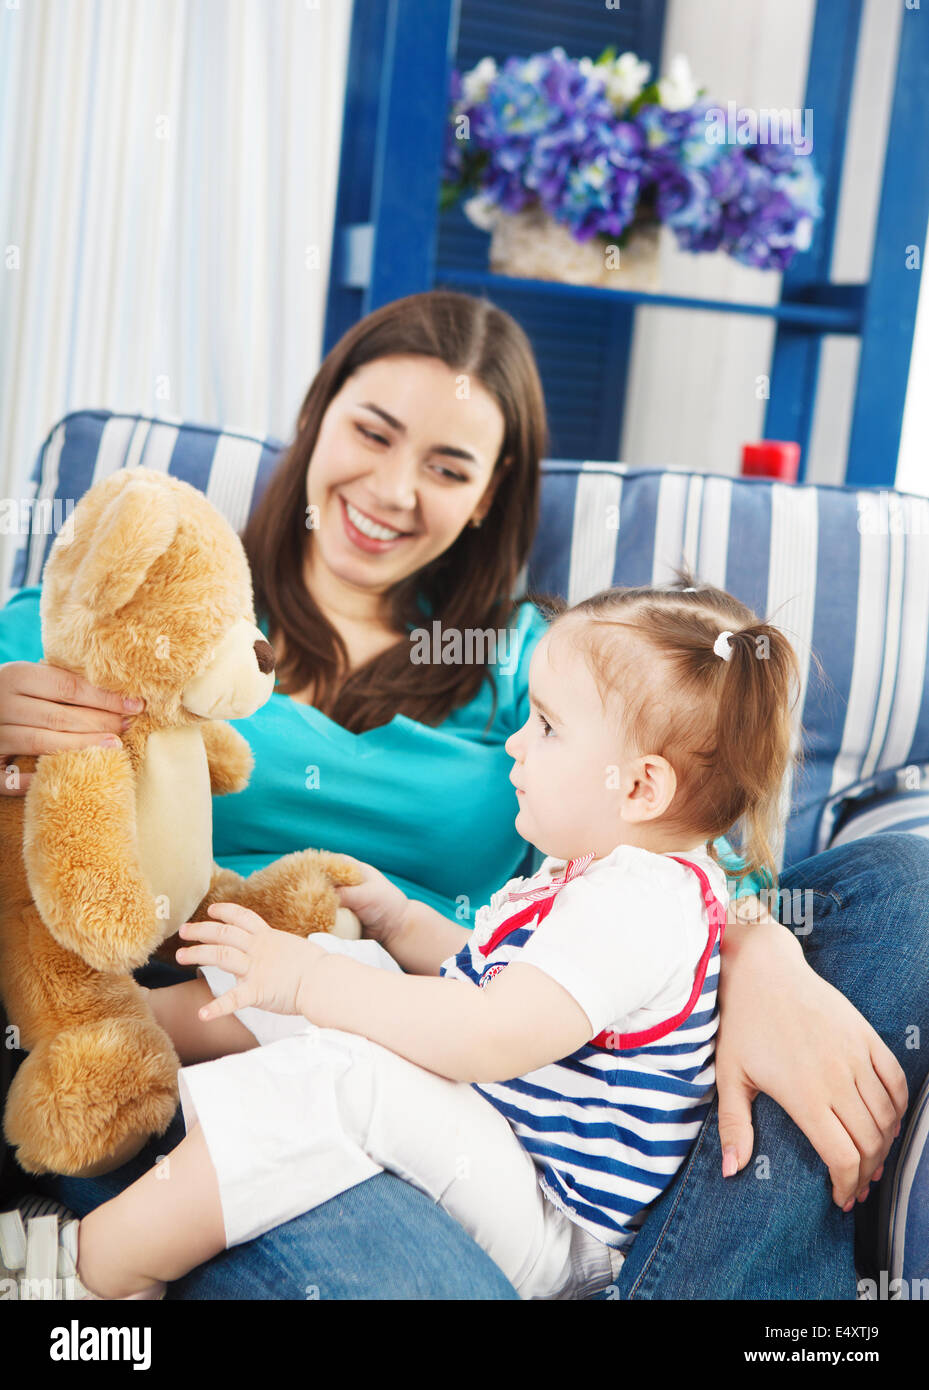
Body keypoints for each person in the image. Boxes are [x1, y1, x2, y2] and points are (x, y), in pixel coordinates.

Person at [0, 290, 921, 1300]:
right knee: (324, 1118)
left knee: (904, 882)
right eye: (373, 431)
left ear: (488, 494)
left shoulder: (549, 658)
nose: (395, 490)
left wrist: (761, 955)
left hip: (465, 1063)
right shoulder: (138, 608)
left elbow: (683, 855)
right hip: (210, 1027)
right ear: (317, 415)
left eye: (447, 467)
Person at [69, 579, 799, 1302]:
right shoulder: (603, 867)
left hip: (553, 1221)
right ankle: (120, 1028)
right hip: (506, 1147)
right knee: (346, 960)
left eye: (546, 727)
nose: (516, 742)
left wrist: (307, 983)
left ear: (639, 789)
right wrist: (397, 923)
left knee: (350, 1077)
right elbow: (487, 979)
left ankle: (102, 1265)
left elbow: (485, 1034)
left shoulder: (640, 904)